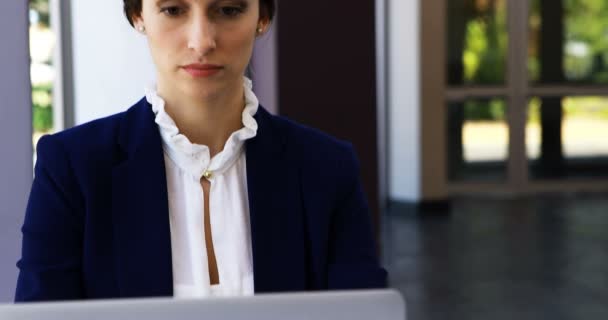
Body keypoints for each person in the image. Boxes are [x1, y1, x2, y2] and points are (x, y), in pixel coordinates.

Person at [15, 0, 386, 301]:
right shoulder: (71, 168)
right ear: (138, 14)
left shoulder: (327, 169)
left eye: (228, 10)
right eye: (174, 10)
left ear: (263, 17)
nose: (202, 41)